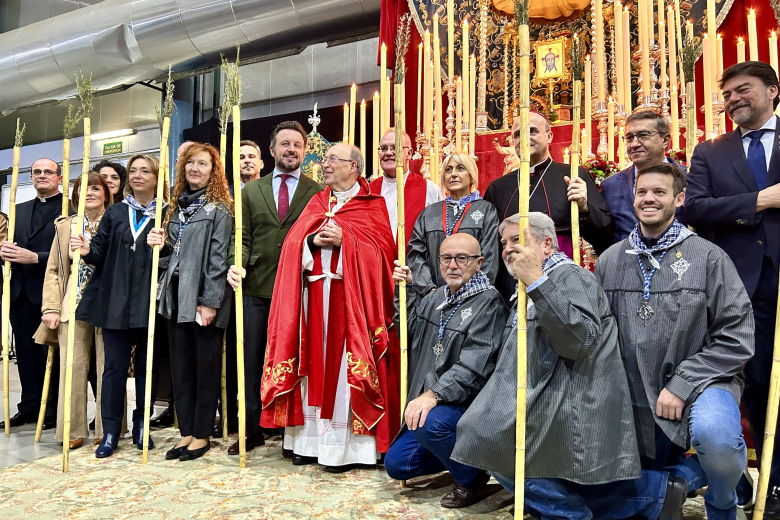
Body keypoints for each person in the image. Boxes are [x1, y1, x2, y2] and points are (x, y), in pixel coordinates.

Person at [451, 212, 687, 520]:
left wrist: (537, 281)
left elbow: (577, 341)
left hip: (573, 394)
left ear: (547, 244)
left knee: (491, 441)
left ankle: (571, 514)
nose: (508, 248)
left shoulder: (571, 277)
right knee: (487, 434)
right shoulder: (528, 283)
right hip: (542, 388)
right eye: (503, 242)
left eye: (517, 240)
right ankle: (657, 494)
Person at [597, 162, 754, 520]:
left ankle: (722, 499)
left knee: (717, 438)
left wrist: (683, 383)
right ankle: (691, 476)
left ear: (679, 198)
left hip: (704, 380)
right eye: (641, 192)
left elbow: (737, 335)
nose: (648, 199)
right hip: (635, 383)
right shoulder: (610, 261)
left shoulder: (708, 257)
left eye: (659, 192)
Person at [260, 143, 398, 472]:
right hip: (313, 297)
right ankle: (306, 443)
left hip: (351, 302)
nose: (325, 165)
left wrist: (345, 241)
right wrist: (311, 242)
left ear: (354, 167)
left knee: (342, 370)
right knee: (310, 364)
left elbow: (382, 255)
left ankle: (350, 449)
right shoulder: (317, 202)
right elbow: (293, 246)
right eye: (325, 159)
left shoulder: (371, 205)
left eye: (333, 160)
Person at [685, 61, 780, 515]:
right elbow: (697, 210)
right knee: (762, 383)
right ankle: (775, 483)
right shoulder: (711, 152)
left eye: (743, 90)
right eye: (727, 94)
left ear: (773, 90)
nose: (733, 99)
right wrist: (762, 200)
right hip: (748, 286)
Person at [385, 233, 507, 508]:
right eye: (446, 258)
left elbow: (474, 366)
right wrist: (403, 291)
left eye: (462, 258)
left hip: (467, 405)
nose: (453, 265)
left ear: (479, 263)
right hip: (436, 403)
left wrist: (434, 395)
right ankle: (461, 460)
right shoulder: (436, 297)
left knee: (430, 423)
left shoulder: (488, 303)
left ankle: (473, 477)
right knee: (398, 465)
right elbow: (408, 332)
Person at [225, 121, 323, 455]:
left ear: (304, 151)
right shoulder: (251, 192)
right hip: (256, 286)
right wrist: (235, 262)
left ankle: (289, 432)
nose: (291, 149)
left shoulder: (317, 191)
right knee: (251, 360)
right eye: (285, 144)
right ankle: (251, 429)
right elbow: (243, 234)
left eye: (297, 145)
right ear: (272, 150)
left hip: (299, 290)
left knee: (295, 360)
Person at [71, 153, 170, 458]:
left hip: (148, 302)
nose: (138, 175)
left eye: (145, 171)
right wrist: (88, 249)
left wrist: (162, 245)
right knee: (113, 369)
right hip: (114, 302)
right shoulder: (115, 213)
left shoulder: (167, 214)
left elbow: (173, 258)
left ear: (157, 176)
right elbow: (99, 252)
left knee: (146, 367)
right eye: (133, 171)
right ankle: (111, 429)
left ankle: (142, 425)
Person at [147, 143, 233, 462]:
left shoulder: (220, 209)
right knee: (181, 368)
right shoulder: (174, 208)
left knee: (205, 368)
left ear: (214, 171)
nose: (195, 169)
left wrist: (208, 301)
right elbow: (171, 256)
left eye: (203, 164)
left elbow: (218, 261)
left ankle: (202, 434)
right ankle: (186, 432)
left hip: (203, 300)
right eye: (190, 164)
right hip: (175, 298)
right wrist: (158, 247)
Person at [483, 112, 613, 302]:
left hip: (561, 279)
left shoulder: (573, 174)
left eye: (532, 131)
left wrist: (585, 208)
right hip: (511, 281)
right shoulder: (498, 187)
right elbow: (489, 244)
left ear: (549, 136)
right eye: (518, 134)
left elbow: (605, 233)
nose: (525, 139)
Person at [34, 172, 112, 449]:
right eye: (83, 189)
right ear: (75, 194)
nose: (89, 193)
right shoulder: (66, 226)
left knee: (107, 369)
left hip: (108, 306)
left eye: (95, 188)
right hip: (74, 304)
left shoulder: (116, 220)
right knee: (72, 368)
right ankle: (73, 428)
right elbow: (53, 270)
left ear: (105, 192)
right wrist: (51, 307)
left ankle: (109, 428)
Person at [0, 157, 64, 430]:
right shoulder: (18, 210)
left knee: (51, 355)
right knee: (26, 353)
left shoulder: (71, 208)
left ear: (59, 178)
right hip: (20, 292)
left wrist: (35, 257)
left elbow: (68, 254)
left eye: (48, 172)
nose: (41, 175)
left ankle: (51, 410)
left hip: (51, 292)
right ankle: (28, 407)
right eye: (36, 171)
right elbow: (12, 248)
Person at [407, 153, 499, 298]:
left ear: (471, 175)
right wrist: (430, 291)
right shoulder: (429, 213)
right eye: (448, 170)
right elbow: (416, 255)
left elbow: (489, 257)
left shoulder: (486, 210)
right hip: (432, 297)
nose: (453, 174)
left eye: (460, 168)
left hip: (473, 298)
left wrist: (471, 294)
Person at [600, 111, 686, 242]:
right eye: (629, 138)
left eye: (644, 136)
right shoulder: (611, 186)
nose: (634, 144)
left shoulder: (691, 178)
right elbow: (603, 237)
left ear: (665, 140)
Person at [368, 128, 442, 246]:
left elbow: (437, 234)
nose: (388, 153)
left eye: (394, 147)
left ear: (409, 153)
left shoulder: (429, 189)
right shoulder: (368, 191)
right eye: (383, 148)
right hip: (376, 261)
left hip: (414, 262)